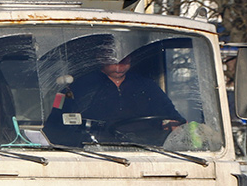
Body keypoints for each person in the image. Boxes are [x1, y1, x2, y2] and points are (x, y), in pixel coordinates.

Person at [44, 52, 183, 145]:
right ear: (100, 59)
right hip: (96, 151)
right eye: (115, 62)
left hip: (146, 149)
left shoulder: (146, 85)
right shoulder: (80, 86)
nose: (120, 67)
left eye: (125, 61)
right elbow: (56, 125)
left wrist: (173, 123)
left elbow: (171, 115)